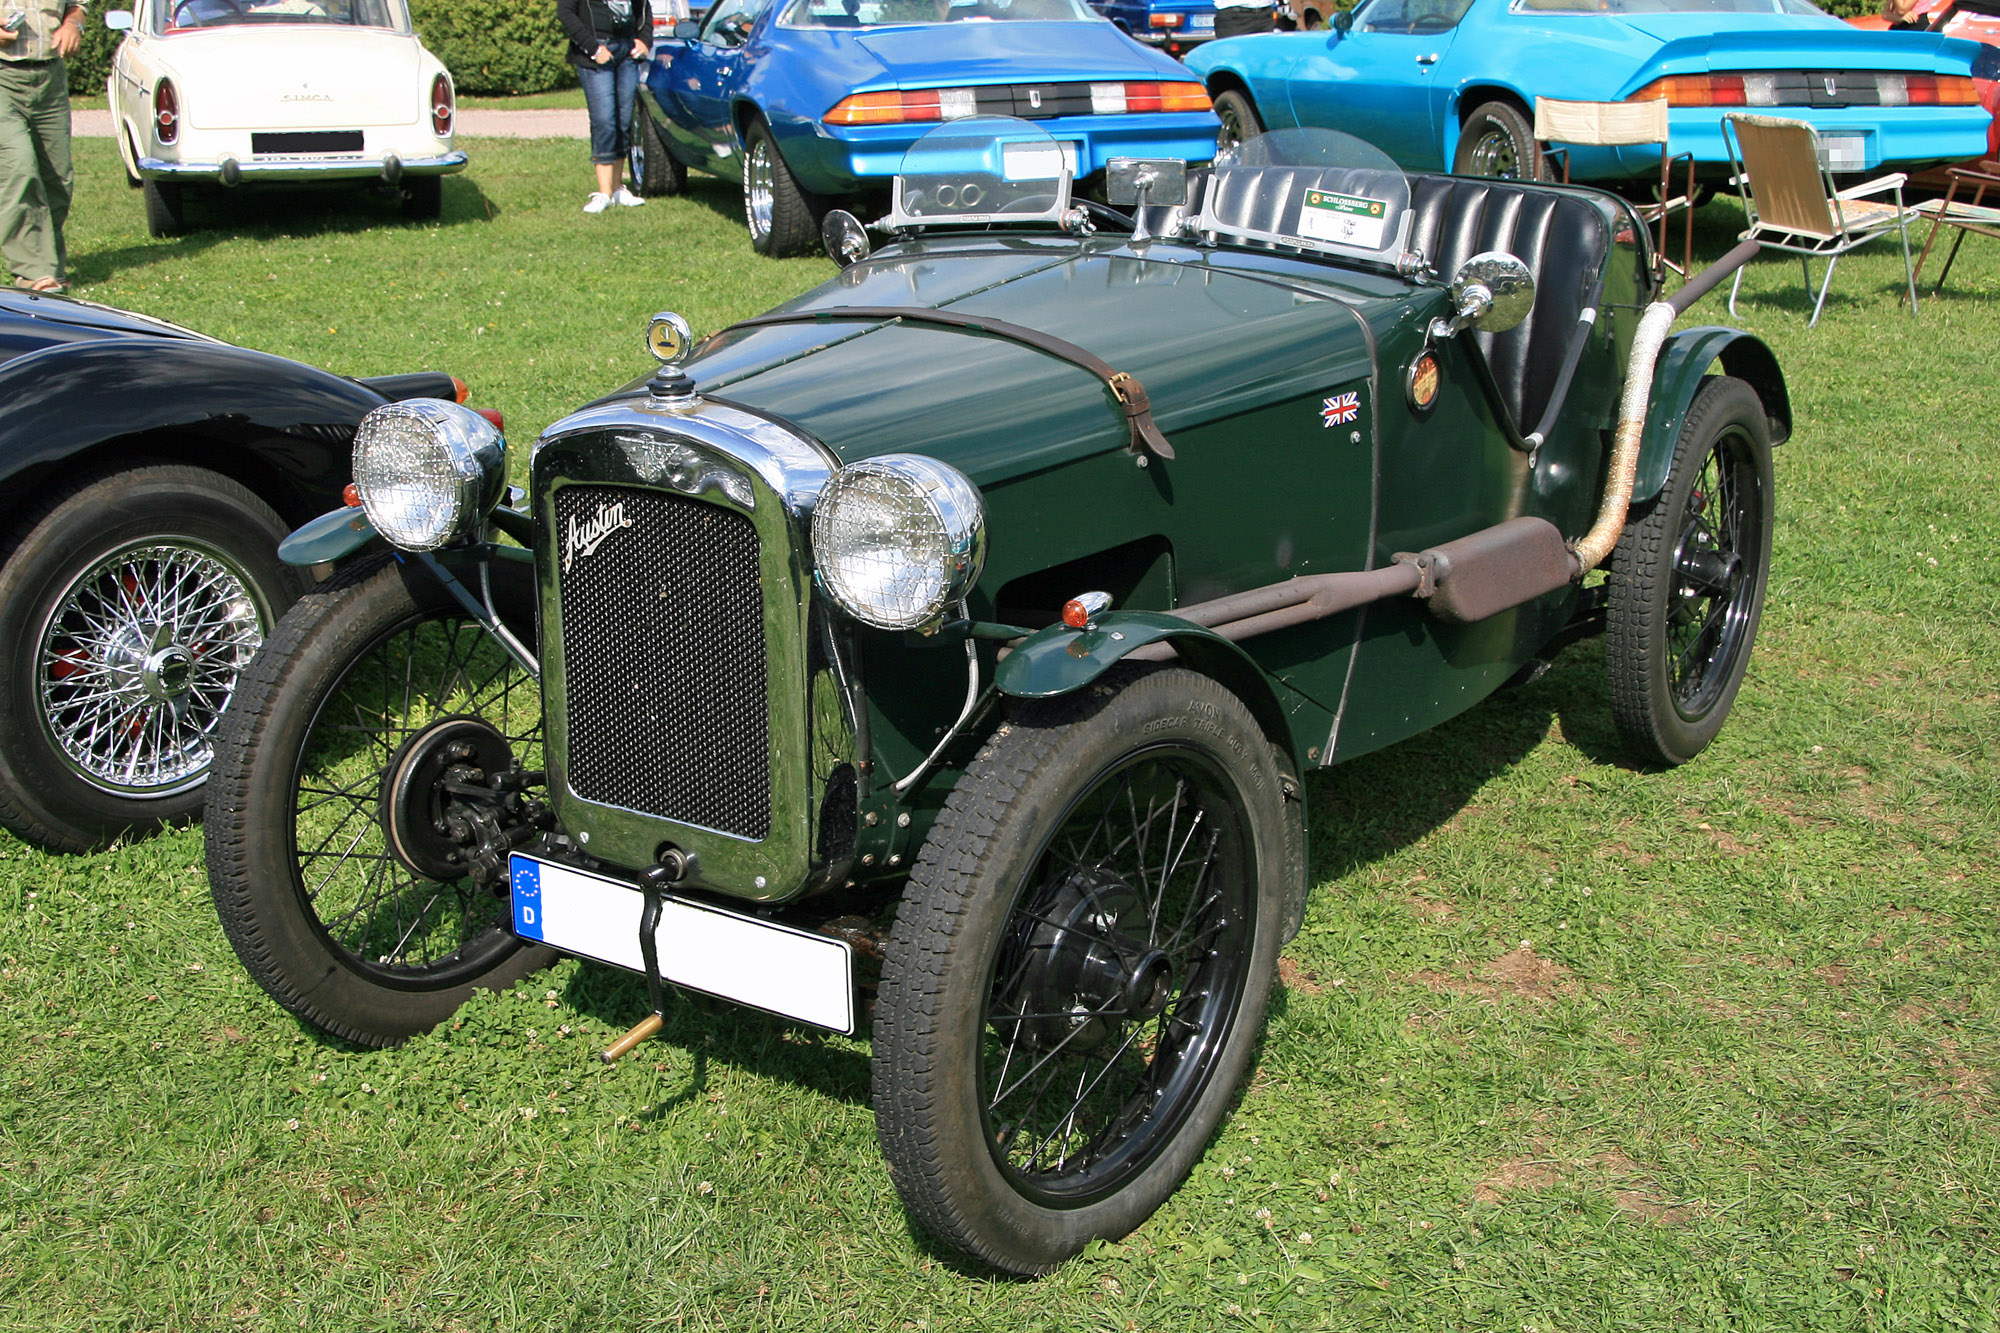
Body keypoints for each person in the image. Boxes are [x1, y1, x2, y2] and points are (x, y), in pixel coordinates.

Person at [0, 0, 83, 292]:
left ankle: (50, 266)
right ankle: (32, 271)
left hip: (50, 77)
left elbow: (77, 5)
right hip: (3, 76)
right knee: (18, 168)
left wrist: (73, 24)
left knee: (58, 179)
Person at [558, 0, 654, 214]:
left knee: (623, 120)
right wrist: (592, 48)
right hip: (597, 52)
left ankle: (618, 188)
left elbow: (644, 9)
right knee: (604, 121)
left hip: (626, 50)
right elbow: (565, 12)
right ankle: (604, 193)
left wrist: (645, 40)